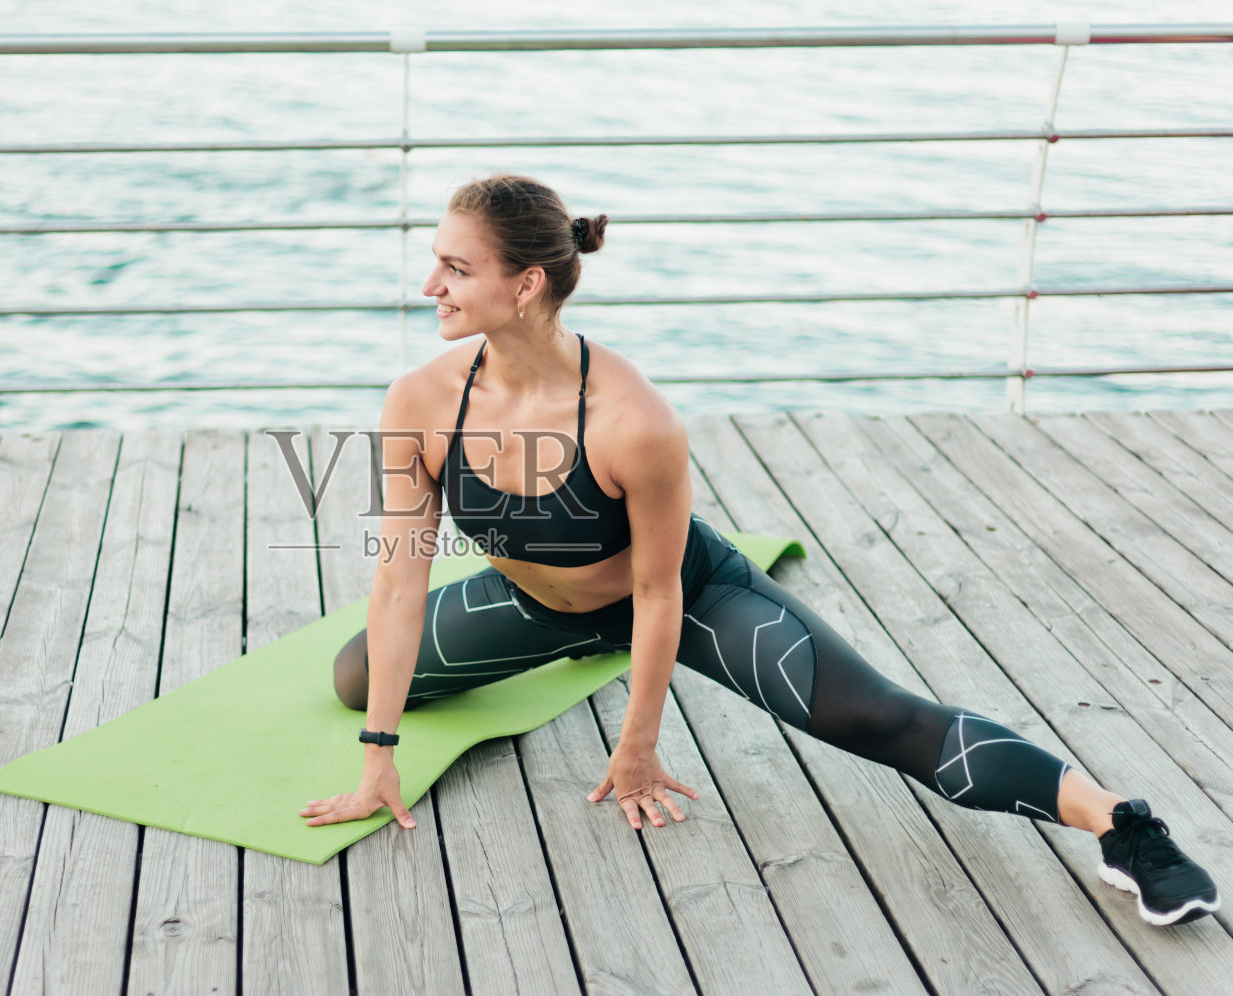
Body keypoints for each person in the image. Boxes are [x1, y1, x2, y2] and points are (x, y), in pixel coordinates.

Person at [297, 174, 1219, 927]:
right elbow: (398, 580)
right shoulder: (419, 399)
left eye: (455, 269)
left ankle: (1124, 826)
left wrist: (639, 743)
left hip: (684, 596)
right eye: (435, 266)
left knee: (882, 719)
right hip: (539, 604)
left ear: (526, 283)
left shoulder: (633, 420)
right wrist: (379, 753)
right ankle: (572, 644)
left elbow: (657, 596)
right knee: (354, 678)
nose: (431, 288)